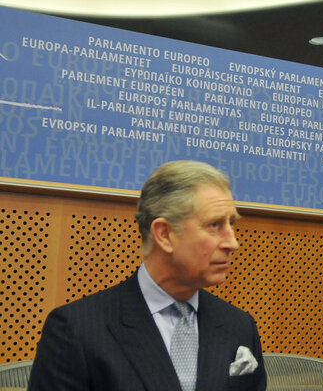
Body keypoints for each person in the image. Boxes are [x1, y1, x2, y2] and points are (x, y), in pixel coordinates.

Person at [28, 160, 267, 391]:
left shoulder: (239, 325)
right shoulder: (76, 329)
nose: (233, 243)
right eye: (214, 225)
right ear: (164, 234)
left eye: (232, 224)